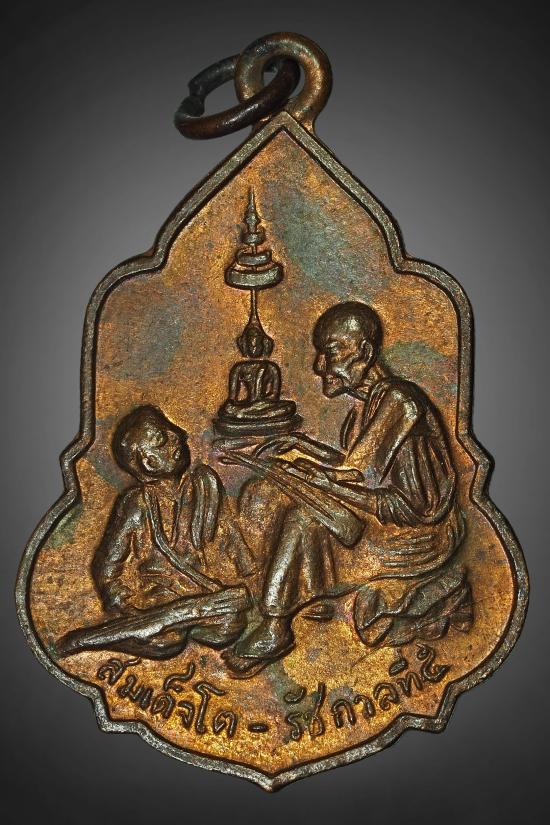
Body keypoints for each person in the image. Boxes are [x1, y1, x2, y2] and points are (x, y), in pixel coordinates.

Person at [224, 301, 470, 673]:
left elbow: (375, 488)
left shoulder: (399, 401)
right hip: (386, 517)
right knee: (267, 492)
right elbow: (352, 465)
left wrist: (321, 481)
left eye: (331, 351)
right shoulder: (365, 407)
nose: (319, 366)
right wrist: (301, 446)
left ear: (365, 353)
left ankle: (276, 625)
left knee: (303, 519)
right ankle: (302, 594)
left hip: (417, 535)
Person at [90, 405, 256, 658]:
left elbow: (229, 532)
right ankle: (118, 635)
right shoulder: (138, 503)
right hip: (159, 597)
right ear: (148, 462)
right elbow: (109, 561)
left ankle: (181, 626)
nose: (177, 436)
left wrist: (248, 569)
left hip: (202, 591)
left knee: (231, 625)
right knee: (166, 642)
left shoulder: (204, 484)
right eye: (161, 440)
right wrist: (120, 600)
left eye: (171, 430)